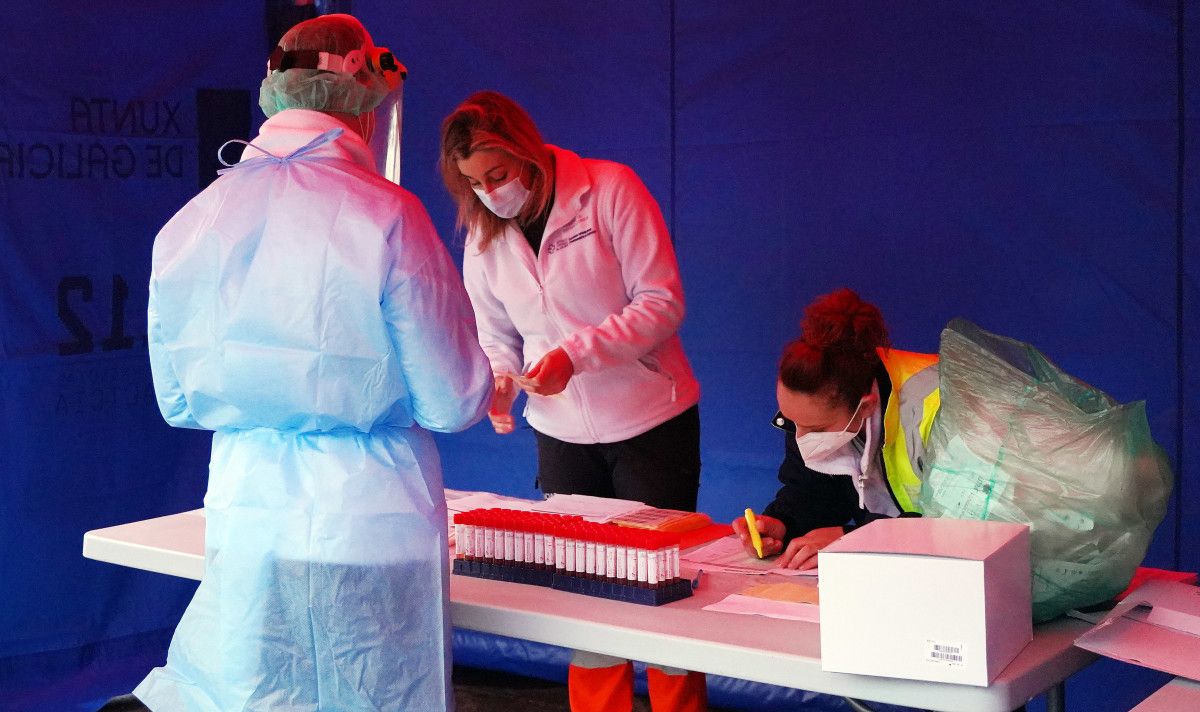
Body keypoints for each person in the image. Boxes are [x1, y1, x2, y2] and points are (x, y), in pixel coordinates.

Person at [124, 15, 492, 712]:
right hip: (370, 518)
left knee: (259, 698)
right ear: (360, 86)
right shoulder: (385, 213)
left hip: (249, 512)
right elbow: (452, 401)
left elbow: (177, 401)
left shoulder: (194, 220)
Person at [439, 90, 706, 712]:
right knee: (581, 597)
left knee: (659, 591)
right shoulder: (482, 239)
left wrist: (575, 355)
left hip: (649, 419)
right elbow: (496, 336)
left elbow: (662, 302)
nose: (489, 192)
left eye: (498, 174)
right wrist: (501, 380)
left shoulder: (610, 189)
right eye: (474, 183)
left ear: (525, 150)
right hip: (561, 434)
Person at [733, 288, 937, 570]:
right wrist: (783, 523)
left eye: (815, 428)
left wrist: (853, 540)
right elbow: (816, 491)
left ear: (865, 407)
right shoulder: (826, 403)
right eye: (792, 422)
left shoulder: (943, 410)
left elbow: (966, 529)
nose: (801, 438)